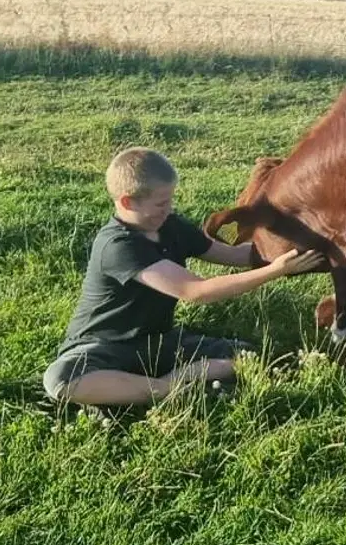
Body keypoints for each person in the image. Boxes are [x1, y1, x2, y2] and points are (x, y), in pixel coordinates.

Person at [42, 146, 322, 411]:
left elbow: (235, 255)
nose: (169, 208)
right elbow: (195, 291)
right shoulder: (118, 246)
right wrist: (276, 271)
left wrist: (296, 250)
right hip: (104, 347)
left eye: (170, 200)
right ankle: (166, 386)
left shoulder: (170, 225)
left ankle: (147, 385)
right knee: (61, 380)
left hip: (159, 342)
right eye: (161, 203)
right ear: (127, 201)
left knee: (247, 357)